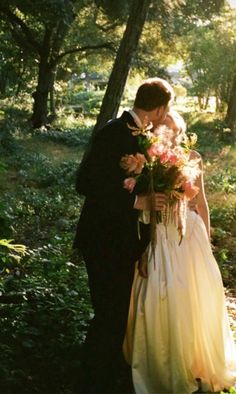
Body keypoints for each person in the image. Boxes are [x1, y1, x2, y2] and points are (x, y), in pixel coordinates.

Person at [73, 78, 175, 394]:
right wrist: (137, 201)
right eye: (166, 108)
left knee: (116, 315)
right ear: (159, 108)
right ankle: (91, 381)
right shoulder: (113, 132)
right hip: (103, 240)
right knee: (109, 315)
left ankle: (104, 374)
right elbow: (86, 183)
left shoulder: (144, 138)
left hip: (123, 242)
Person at [123, 110, 236, 394]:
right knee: (161, 294)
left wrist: (207, 238)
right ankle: (162, 363)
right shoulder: (148, 158)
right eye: (164, 127)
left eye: (174, 129)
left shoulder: (193, 157)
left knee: (193, 296)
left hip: (188, 234)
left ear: (181, 132)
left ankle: (194, 360)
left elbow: (201, 201)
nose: (169, 133)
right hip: (160, 233)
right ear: (157, 129)